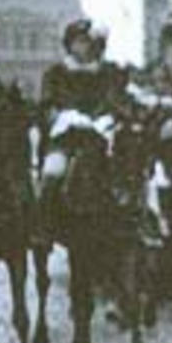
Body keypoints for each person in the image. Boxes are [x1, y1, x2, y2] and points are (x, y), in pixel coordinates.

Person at [38, 18, 127, 240]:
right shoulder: (56, 73)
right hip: (67, 139)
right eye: (79, 41)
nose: (85, 46)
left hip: (102, 137)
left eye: (89, 41)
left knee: (128, 172)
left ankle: (132, 224)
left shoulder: (109, 72)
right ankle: (42, 229)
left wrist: (105, 119)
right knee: (52, 173)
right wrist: (67, 117)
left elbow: (115, 100)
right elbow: (47, 106)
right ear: (69, 44)